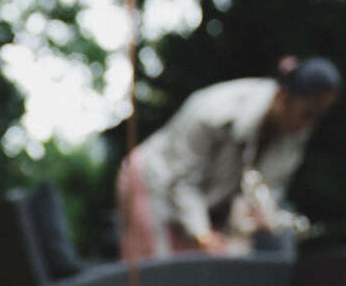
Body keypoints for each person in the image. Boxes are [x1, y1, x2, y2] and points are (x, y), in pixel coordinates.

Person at [116, 56, 339, 262]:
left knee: (197, 284)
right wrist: (202, 234)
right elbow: (181, 179)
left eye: (318, 118)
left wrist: (262, 214)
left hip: (205, 204)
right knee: (157, 281)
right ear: (282, 97)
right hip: (154, 183)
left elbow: (268, 189)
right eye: (307, 114)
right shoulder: (214, 111)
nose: (308, 125)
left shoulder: (296, 135)